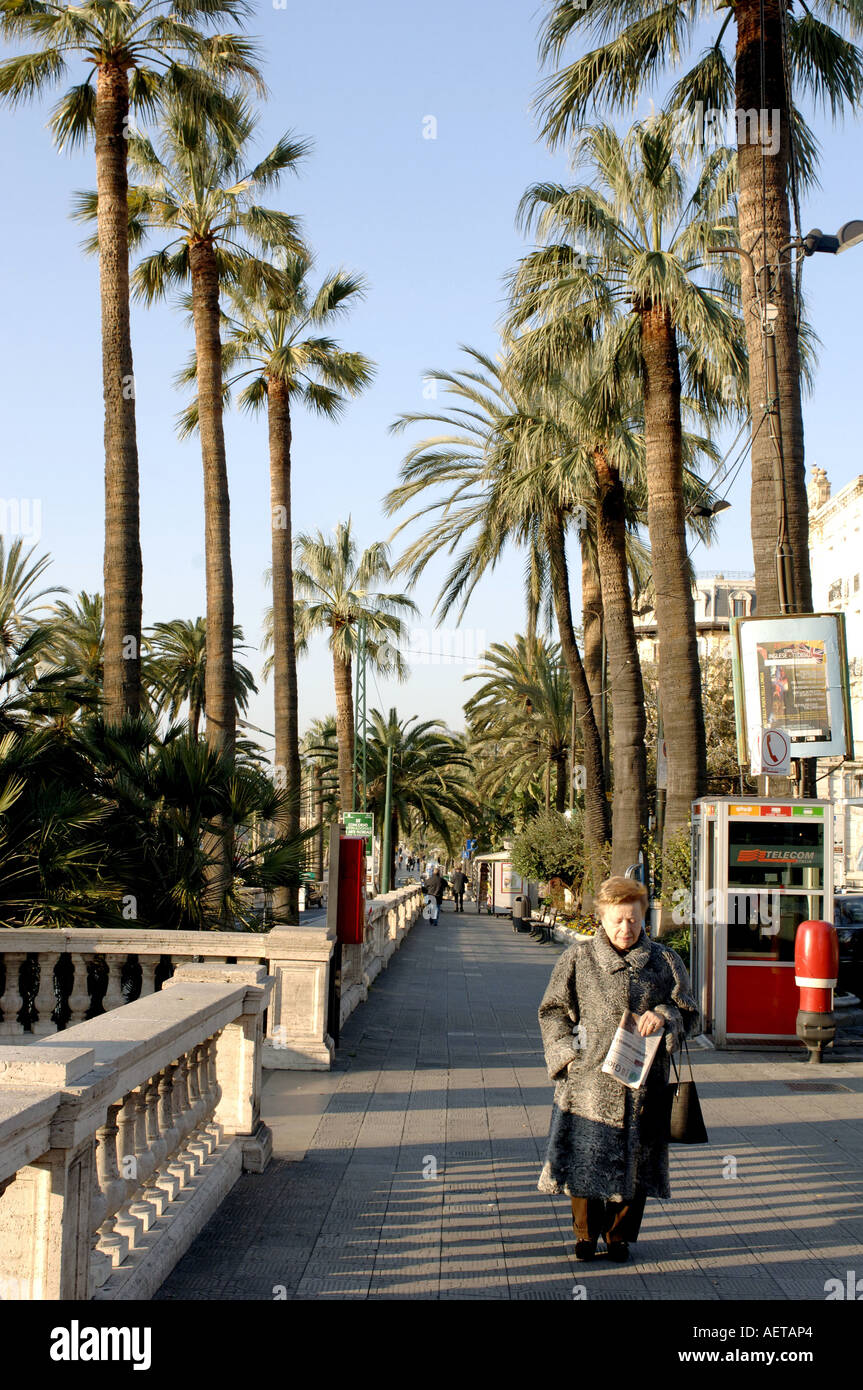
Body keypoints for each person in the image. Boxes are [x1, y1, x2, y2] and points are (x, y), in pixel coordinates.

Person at [537, 875, 699, 1264]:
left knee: (638, 1163)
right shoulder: (577, 959)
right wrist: (566, 1058)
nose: (626, 928)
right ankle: (585, 1235)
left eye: (634, 920)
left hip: (645, 1083)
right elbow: (553, 1011)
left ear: (645, 917)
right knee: (585, 1159)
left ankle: (620, 1235)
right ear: (601, 919)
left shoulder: (664, 961)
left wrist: (664, 1016)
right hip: (589, 1080)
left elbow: (690, 1013)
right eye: (617, 920)